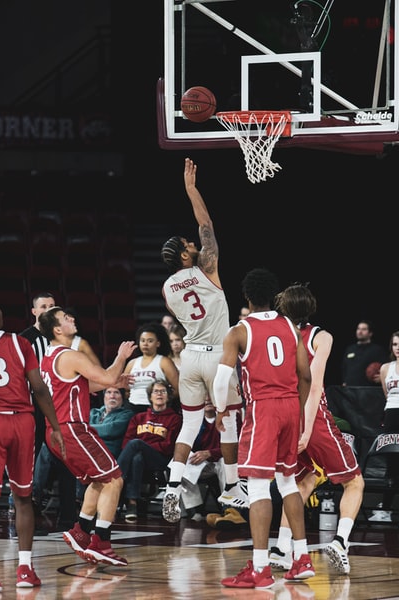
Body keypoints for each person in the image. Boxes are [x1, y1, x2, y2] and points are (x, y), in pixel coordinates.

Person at [213, 267, 316, 589]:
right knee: (287, 481)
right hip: (289, 407)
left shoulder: (239, 330)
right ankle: (301, 558)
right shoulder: (289, 324)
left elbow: (220, 381)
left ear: (246, 296)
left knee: (257, 488)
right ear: (273, 295)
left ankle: (260, 567)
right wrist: (298, 414)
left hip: (264, 408)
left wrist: (219, 411)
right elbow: (306, 376)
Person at [160, 157, 245, 524]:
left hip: (190, 358)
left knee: (190, 425)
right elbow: (207, 225)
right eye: (187, 244)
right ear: (184, 255)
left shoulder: (166, 288)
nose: (195, 243)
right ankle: (233, 486)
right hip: (216, 359)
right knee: (228, 420)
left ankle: (172, 487)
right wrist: (191, 190)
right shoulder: (207, 266)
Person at [270, 283, 364, 575]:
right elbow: (313, 388)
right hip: (311, 417)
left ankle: (281, 548)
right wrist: (308, 430)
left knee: (301, 482)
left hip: (280, 414)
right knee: (354, 482)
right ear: (311, 308)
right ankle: (339, 541)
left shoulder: (275, 334)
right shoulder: (320, 336)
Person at [38, 306, 136, 566]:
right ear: (57, 329)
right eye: (65, 318)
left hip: (56, 432)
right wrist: (121, 356)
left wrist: (115, 383)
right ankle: (101, 542)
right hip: (72, 428)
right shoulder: (70, 355)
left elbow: (86, 384)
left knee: (98, 480)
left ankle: (81, 530)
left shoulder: (49, 356)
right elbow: (106, 375)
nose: (72, 318)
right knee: (115, 479)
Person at [0, 306, 65, 591]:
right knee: (23, 497)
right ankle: (25, 569)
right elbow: (39, 387)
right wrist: (55, 426)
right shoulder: (19, 342)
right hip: (23, 423)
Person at [117, 379, 182, 522]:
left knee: (136, 445)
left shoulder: (175, 419)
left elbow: (169, 446)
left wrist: (143, 446)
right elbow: (125, 443)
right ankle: (132, 505)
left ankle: (114, 480)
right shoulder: (138, 418)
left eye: (163, 391)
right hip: (139, 458)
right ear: (150, 396)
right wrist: (141, 447)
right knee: (137, 458)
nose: (159, 394)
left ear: (168, 396)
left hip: (160, 459)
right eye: (156, 391)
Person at [179, 396, 241, 521]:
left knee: (225, 463)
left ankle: (231, 508)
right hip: (203, 463)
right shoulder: (193, 419)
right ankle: (197, 509)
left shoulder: (230, 416)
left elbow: (237, 446)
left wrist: (210, 453)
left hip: (222, 458)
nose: (207, 399)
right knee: (180, 465)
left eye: (210, 396)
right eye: (204, 396)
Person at [75, 386, 134, 505]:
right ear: (104, 396)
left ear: (122, 398)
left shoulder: (127, 414)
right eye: (109, 392)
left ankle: (78, 498)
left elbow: (109, 430)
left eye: (116, 393)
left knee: (84, 457)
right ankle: (35, 495)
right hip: (87, 449)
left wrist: (86, 429)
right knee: (48, 450)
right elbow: (80, 428)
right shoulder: (93, 412)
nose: (112, 396)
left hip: (109, 453)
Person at [19, 292, 56, 459]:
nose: (48, 310)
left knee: (64, 456)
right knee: (30, 454)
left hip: (58, 403)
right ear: (34, 311)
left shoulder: (62, 338)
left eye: (51, 306)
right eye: (44, 307)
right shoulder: (24, 340)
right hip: (33, 405)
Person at [371, 330, 399, 522]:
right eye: (395, 344)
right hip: (391, 415)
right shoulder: (385, 368)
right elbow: (387, 395)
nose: (398, 348)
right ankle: (386, 509)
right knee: (392, 463)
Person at [123, 322, 180, 414]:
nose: (145, 344)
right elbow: (125, 389)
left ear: (158, 343)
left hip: (156, 409)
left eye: (150, 341)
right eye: (142, 340)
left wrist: (162, 401)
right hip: (132, 408)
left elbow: (177, 389)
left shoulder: (164, 362)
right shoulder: (131, 363)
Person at [342, 320, 388, 386]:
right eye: (358, 329)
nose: (360, 332)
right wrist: (344, 381)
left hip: (368, 390)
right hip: (350, 390)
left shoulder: (377, 350)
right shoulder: (350, 349)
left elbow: (386, 367)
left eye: (364, 329)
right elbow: (344, 368)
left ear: (370, 333)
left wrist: (382, 377)